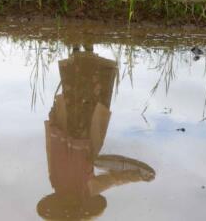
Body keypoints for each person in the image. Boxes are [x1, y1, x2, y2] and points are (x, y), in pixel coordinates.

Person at [37, 44, 156, 219]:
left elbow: (115, 179)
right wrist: (53, 118)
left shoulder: (86, 190)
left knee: (91, 98)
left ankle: (85, 56)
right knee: (76, 94)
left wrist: (139, 176)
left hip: (83, 134)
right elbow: (50, 150)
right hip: (65, 126)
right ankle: (80, 55)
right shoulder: (55, 181)